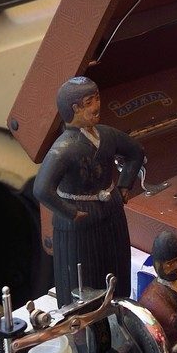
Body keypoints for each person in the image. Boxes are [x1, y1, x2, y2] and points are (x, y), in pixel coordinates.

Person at [32, 76, 145, 306]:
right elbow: (42, 188)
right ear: (75, 108)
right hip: (79, 220)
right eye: (90, 102)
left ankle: (120, 312)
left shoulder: (107, 135)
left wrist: (124, 185)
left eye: (97, 98)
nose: (97, 106)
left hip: (112, 210)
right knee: (82, 281)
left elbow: (136, 151)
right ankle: (85, 323)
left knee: (117, 268)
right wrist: (71, 213)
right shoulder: (63, 149)